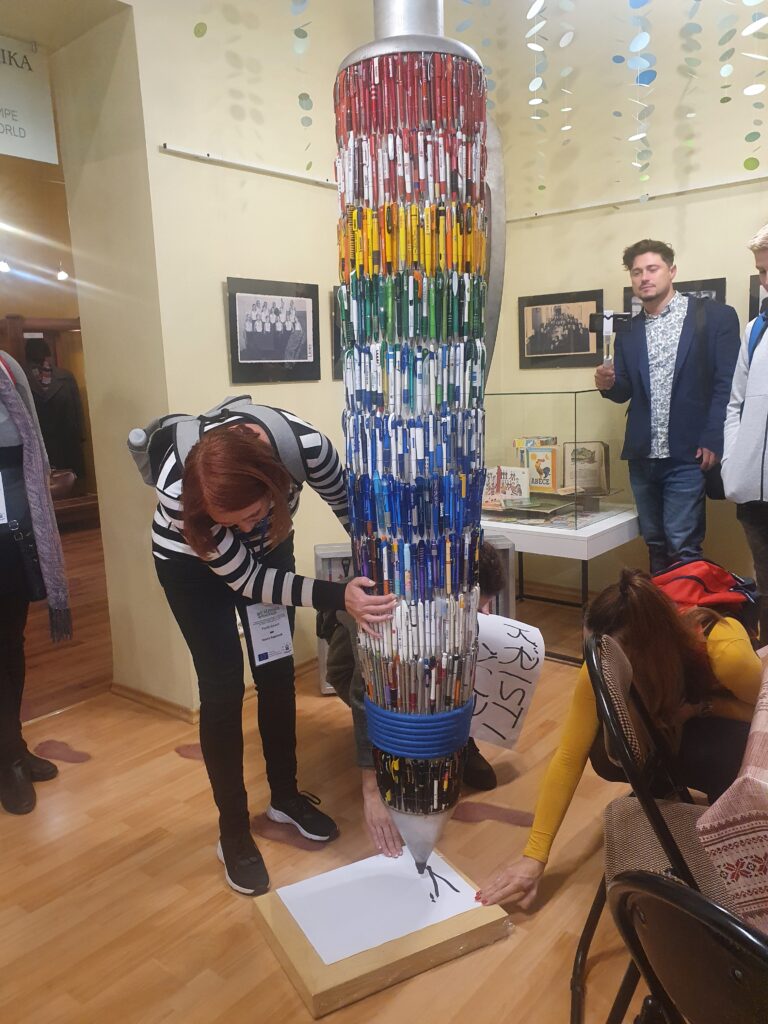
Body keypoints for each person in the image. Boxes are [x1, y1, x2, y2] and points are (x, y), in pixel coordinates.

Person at [152, 406, 396, 895]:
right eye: (233, 523)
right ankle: (233, 832)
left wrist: (386, 574)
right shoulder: (180, 492)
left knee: (278, 673)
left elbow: (357, 518)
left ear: (273, 482)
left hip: (273, 545)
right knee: (222, 689)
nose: (243, 530)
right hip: (189, 565)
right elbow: (250, 580)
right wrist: (340, 595)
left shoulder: (306, 448)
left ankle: (285, 797)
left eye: (249, 516)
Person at [476, 569, 761, 908]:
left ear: (645, 648)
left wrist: (703, 708)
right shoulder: (603, 656)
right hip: (677, 712)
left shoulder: (724, 650)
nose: (598, 663)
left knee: (728, 757)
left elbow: (759, 711)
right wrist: (534, 857)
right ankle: (665, 787)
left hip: (728, 712)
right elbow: (568, 756)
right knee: (604, 752)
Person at [321, 542, 508, 858]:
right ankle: (395, 744)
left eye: (486, 606)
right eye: (479, 607)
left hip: (428, 622)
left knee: (448, 667)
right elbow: (364, 694)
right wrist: (372, 789)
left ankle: (458, 744)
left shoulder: (451, 593)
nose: (485, 615)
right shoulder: (385, 613)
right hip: (359, 622)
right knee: (357, 677)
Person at [595, 240, 740, 573]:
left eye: (652, 269)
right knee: (654, 542)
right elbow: (625, 391)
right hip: (643, 455)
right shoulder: (628, 330)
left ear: (671, 271)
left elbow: (727, 385)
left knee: (682, 544)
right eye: (636, 272)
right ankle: (662, 607)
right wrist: (607, 384)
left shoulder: (714, 317)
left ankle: (686, 606)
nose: (644, 277)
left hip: (689, 453)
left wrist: (714, 438)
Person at [0, 351, 70, 814]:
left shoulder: (6, 367)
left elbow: (32, 448)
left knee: (11, 644)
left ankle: (14, 747)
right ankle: (8, 759)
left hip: (14, 531)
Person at [722, 223, 768, 645]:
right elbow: (735, 404)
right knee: (765, 590)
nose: (765, 281)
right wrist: (732, 466)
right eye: (761, 272)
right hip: (754, 495)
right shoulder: (755, 329)